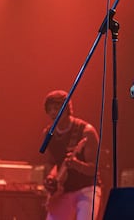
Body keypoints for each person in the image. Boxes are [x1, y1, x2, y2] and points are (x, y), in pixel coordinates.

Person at [42, 91, 101, 220]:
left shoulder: (86, 131)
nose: (52, 112)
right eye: (50, 109)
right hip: (63, 190)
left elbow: (94, 169)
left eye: (56, 108)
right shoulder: (48, 133)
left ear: (67, 108)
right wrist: (51, 177)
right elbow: (50, 162)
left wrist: (76, 164)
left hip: (86, 188)